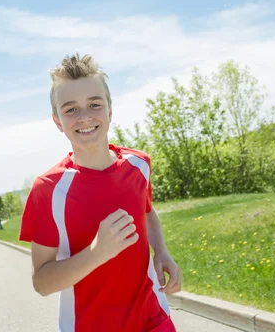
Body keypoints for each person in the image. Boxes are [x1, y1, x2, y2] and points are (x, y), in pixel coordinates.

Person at [19, 54, 182, 331]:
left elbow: (146, 211)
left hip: (153, 318)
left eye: (94, 104)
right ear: (57, 120)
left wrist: (162, 251)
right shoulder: (48, 190)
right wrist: (97, 252)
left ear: (109, 110)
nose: (84, 117)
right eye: (70, 109)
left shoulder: (138, 164)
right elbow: (42, 283)